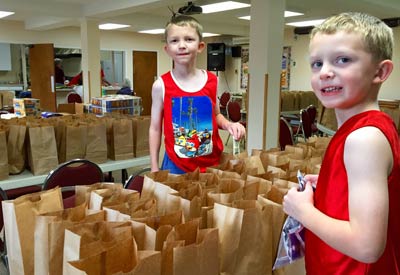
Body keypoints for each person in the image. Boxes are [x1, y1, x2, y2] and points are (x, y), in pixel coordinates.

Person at [283, 12, 400, 274]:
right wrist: (330, 186)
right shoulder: (368, 128)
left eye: (343, 60)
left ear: (380, 71)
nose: (325, 72)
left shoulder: (364, 139)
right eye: (316, 64)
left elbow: (367, 246)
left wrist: (303, 211)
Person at [149, 15, 245, 174]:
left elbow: (216, 115)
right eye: (174, 41)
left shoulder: (211, 80)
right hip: (176, 165)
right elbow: (155, 128)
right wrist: (154, 166)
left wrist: (229, 125)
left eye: (188, 39)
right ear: (167, 49)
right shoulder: (161, 85)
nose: (181, 45)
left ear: (200, 46)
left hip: (212, 163)